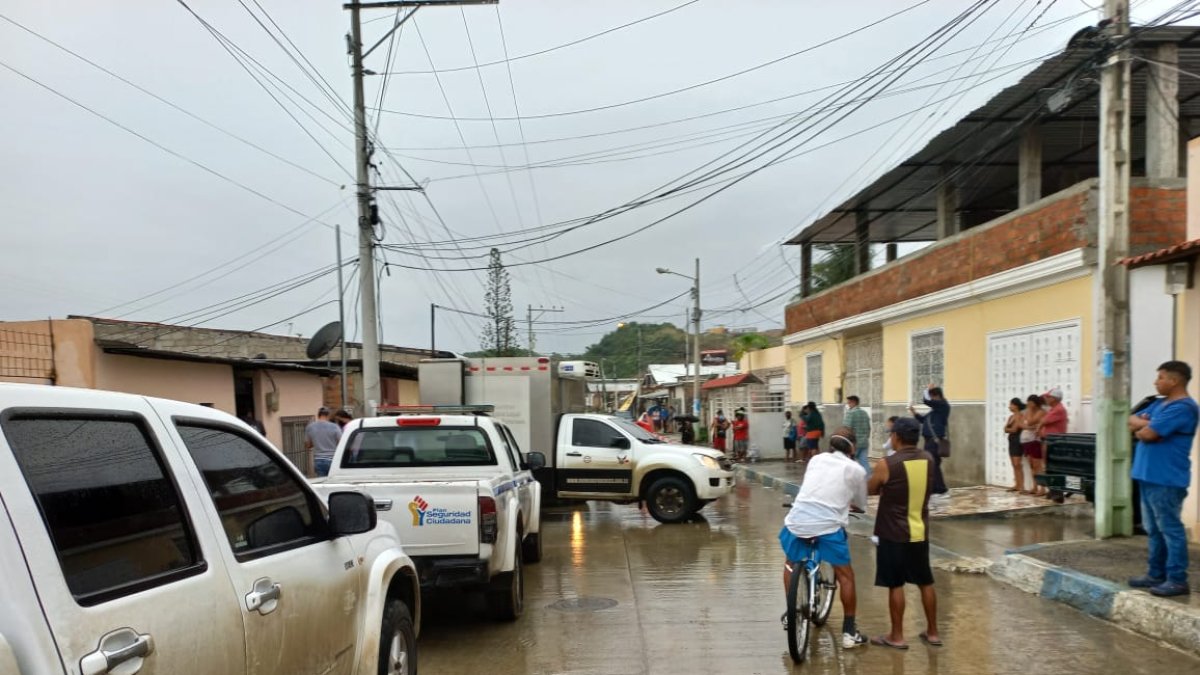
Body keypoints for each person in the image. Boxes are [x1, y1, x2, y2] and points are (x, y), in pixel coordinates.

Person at [780, 427, 869, 649]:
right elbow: (861, 503)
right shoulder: (856, 469)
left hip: (797, 520)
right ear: (853, 448)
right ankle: (849, 632)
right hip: (828, 527)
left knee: (791, 564)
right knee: (845, 576)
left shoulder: (816, 459)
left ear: (830, 445)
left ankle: (792, 612)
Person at [868, 417, 941, 650]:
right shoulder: (928, 459)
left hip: (893, 532)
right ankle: (932, 632)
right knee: (925, 582)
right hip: (919, 530)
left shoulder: (887, 464)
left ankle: (897, 636)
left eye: (891, 434)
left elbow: (871, 489)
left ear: (897, 437)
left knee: (896, 584)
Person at [1127, 361, 1198, 598]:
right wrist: (1150, 428)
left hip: (1166, 478)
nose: (1156, 382)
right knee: (1153, 529)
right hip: (1146, 475)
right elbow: (1131, 421)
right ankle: (1155, 574)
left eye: (1160, 377)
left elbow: (1147, 433)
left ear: (1174, 380)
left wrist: (1149, 429)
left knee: (1170, 528)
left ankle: (1177, 579)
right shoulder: (1159, 404)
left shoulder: (1183, 407)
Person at [910, 385, 950, 498]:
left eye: (932, 397)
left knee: (932, 464)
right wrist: (914, 412)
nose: (931, 400)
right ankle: (937, 487)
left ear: (937, 396)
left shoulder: (943, 406)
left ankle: (939, 488)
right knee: (933, 464)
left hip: (935, 441)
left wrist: (926, 390)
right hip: (929, 441)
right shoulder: (934, 411)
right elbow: (923, 420)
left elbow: (926, 400)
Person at [305, 407, 342, 477]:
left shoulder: (310, 427)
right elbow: (341, 443)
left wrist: (316, 441)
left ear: (318, 415)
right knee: (333, 483)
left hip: (318, 460)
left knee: (322, 483)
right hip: (332, 459)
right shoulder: (335, 427)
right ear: (328, 415)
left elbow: (308, 445)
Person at [1022, 395, 1048, 496]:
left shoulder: (1041, 412)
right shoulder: (1029, 411)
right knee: (1032, 464)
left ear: (1035, 403)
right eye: (1028, 403)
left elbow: (1029, 421)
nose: (1028, 405)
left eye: (1030, 403)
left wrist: (1029, 412)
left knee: (1038, 465)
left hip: (1036, 440)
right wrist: (1029, 425)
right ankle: (1035, 486)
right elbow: (1023, 424)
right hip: (1028, 440)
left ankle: (1042, 488)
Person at [844, 395, 872, 476]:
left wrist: (848, 443)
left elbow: (846, 429)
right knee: (864, 463)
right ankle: (868, 481)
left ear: (854, 402)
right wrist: (865, 437)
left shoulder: (850, 413)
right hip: (864, 442)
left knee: (850, 463)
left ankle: (851, 481)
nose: (848, 404)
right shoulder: (864, 413)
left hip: (853, 443)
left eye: (849, 402)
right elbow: (868, 428)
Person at [1004, 398, 1028, 493]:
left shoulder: (1021, 416)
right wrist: (1007, 429)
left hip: (1018, 440)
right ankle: (1017, 484)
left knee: (1018, 464)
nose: (1009, 406)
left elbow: (1013, 429)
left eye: (1011, 404)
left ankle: (1021, 486)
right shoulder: (1011, 417)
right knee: (1013, 464)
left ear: (1016, 405)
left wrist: (1007, 429)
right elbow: (1005, 429)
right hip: (1011, 440)